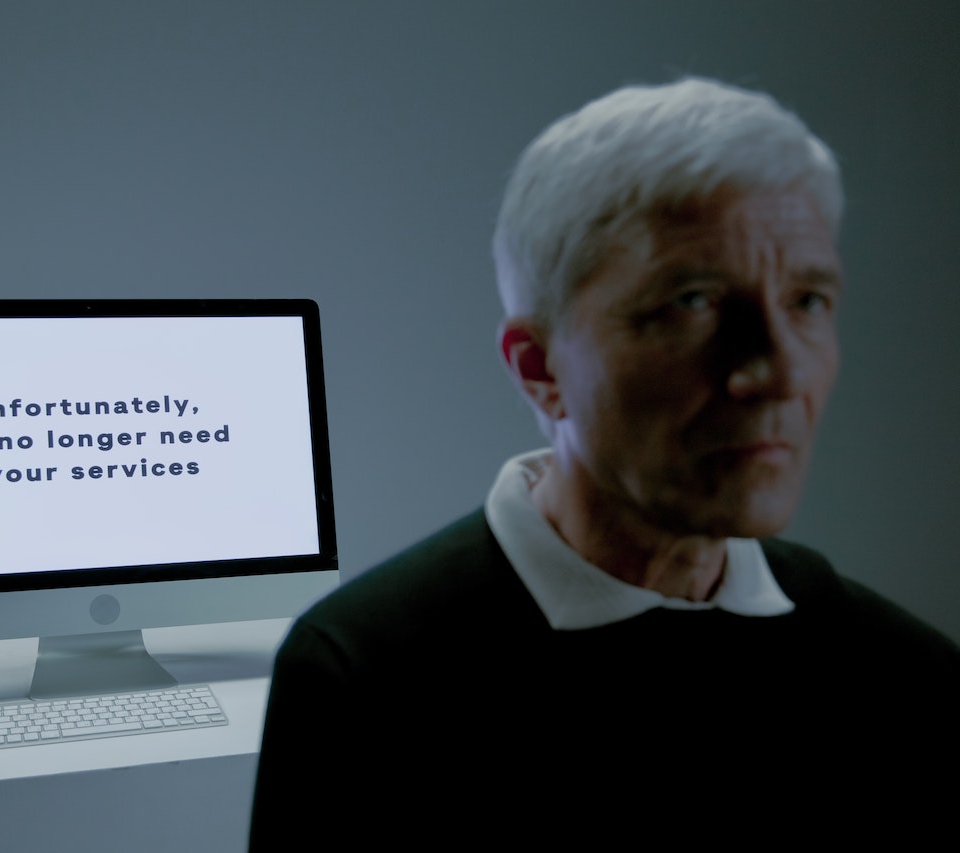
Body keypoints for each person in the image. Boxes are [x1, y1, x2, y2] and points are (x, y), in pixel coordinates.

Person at [249, 77, 960, 849]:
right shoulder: (361, 679)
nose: (778, 372)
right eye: (691, 301)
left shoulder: (906, 678)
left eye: (807, 301)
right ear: (538, 367)